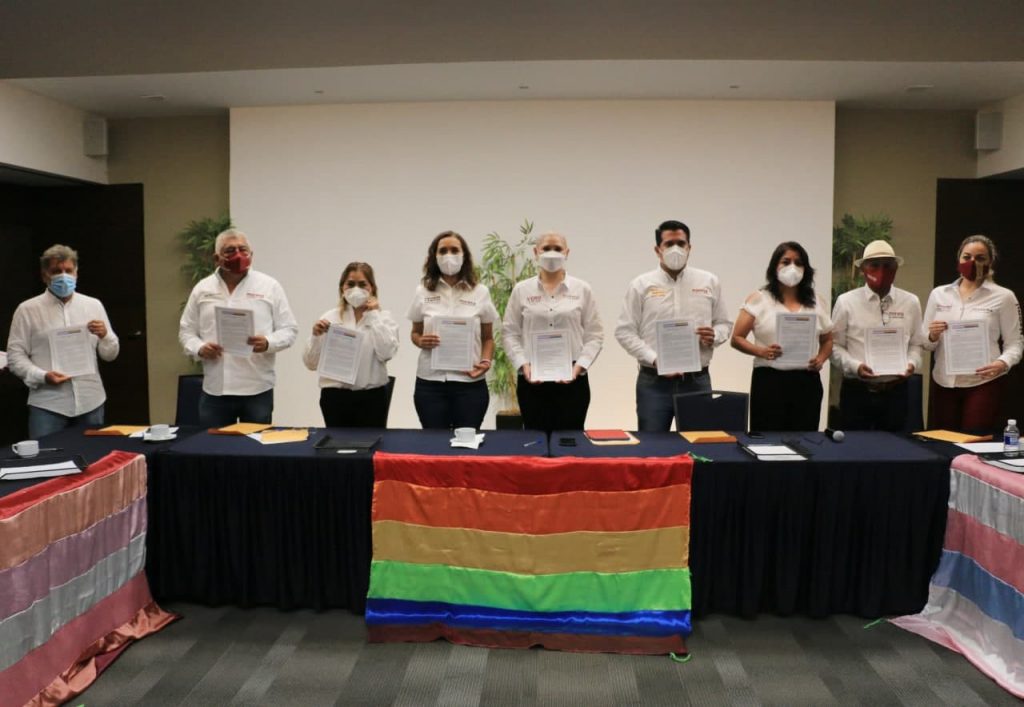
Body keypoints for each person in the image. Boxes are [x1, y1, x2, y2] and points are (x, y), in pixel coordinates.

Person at [614, 220, 732, 431]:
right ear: (657, 249)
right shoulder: (641, 285)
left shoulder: (709, 282)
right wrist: (655, 359)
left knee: (698, 445)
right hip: (653, 383)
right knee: (653, 445)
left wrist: (715, 335)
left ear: (689, 247)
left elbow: (724, 323)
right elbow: (624, 331)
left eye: (681, 243)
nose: (676, 249)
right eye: (669, 244)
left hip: (696, 382)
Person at [178, 229, 298, 427]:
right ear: (216, 258)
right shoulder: (202, 289)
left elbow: (289, 329)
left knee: (255, 445)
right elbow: (186, 331)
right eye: (230, 250)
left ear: (252, 254)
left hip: (257, 388)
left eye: (243, 250)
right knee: (213, 444)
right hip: (216, 389)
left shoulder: (269, 286)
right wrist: (200, 348)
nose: (238, 255)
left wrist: (268, 343)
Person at [7, 244, 120, 438]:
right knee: (46, 454)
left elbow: (110, 355)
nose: (63, 276)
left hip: (90, 400)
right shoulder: (27, 310)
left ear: (76, 273)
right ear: (45, 276)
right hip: (48, 403)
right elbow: (15, 356)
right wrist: (42, 376)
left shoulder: (93, 305)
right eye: (56, 271)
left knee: (93, 455)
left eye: (68, 270)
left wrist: (105, 336)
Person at [502, 231, 603, 432]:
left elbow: (595, 334)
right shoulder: (521, 290)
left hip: (572, 379)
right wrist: (522, 364)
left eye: (557, 248)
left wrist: (579, 367)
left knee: (570, 440)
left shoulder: (582, 289)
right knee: (535, 439)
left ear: (567, 253)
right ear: (536, 252)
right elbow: (509, 332)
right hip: (532, 378)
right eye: (546, 248)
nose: (552, 253)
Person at [921, 234, 1022, 433]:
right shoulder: (939, 294)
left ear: (990, 262)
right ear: (959, 259)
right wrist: (932, 335)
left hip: (982, 383)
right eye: (967, 257)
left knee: (974, 441)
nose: (972, 262)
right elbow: (925, 342)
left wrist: (1003, 363)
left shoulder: (1004, 297)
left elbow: (1015, 343)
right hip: (944, 382)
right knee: (940, 442)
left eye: (980, 258)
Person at [731, 241, 833, 431]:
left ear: (806, 269)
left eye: (798, 263)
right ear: (774, 266)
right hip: (770, 381)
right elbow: (736, 338)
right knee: (768, 439)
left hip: (807, 381)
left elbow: (827, 340)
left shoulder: (817, 301)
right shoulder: (759, 298)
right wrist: (761, 351)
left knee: (805, 439)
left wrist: (820, 359)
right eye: (786, 262)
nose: (792, 267)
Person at [407, 230, 497, 430]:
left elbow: (488, 338)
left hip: (470, 382)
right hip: (430, 383)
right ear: (434, 256)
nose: (449, 255)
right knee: (433, 442)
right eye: (443, 251)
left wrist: (485, 361)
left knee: (467, 442)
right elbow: (415, 333)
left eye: (454, 250)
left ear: (464, 255)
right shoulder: (423, 291)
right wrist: (420, 341)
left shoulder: (480, 292)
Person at [831, 240, 924, 431]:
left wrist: (911, 364)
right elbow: (833, 346)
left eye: (888, 265)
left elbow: (916, 344)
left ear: (896, 268)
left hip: (896, 392)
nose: (881, 271)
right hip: (857, 391)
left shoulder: (910, 302)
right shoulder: (846, 302)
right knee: (855, 446)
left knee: (895, 445)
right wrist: (855, 366)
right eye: (874, 265)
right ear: (863, 269)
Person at [303, 262, 399, 427]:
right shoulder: (330, 317)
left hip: (372, 398)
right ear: (342, 287)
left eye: (362, 284)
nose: (356, 289)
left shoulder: (384, 318)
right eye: (350, 284)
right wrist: (315, 336)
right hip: (335, 398)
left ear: (372, 288)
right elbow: (310, 363)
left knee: (370, 442)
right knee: (337, 442)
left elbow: (386, 353)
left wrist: (374, 316)